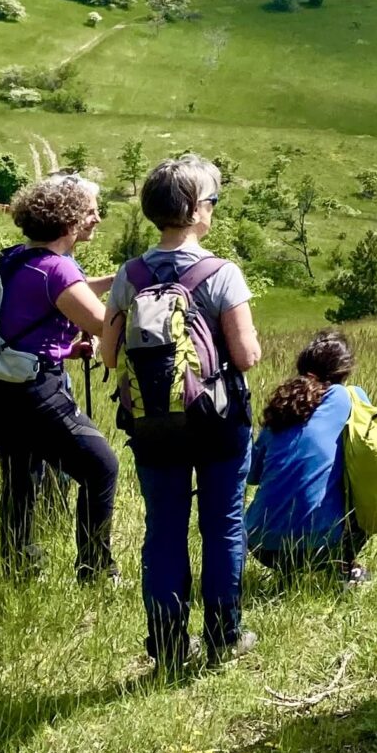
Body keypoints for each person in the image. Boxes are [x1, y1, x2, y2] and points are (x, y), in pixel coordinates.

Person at [101, 155, 264, 675]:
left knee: (164, 529)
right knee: (223, 525)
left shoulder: (129, 275)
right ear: (196, 211)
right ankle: (224, 637)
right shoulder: (222, 274)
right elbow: (245, 356)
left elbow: (108, 354)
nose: (212, 210)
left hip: (152, 424)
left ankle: (168, 647)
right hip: (218, 422)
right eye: (211, 202)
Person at [0, 173, 119, 583]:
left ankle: (19, 569)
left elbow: (58, 297)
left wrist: (117, 280)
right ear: (70, 219)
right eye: (90, 212)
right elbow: (102, 323)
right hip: (34, 390)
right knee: (101, 467)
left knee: (21, 477)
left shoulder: (19, 258)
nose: (96, 219)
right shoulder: (58, 270)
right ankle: (95, 569)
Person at [248, 330, 366, 585]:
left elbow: (252, 476)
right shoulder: (346, 398)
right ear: (343, 372)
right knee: (366, 498)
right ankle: (346, 570)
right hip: (320, 546)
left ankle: (288, 575)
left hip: (260, 544)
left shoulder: (280, 413)